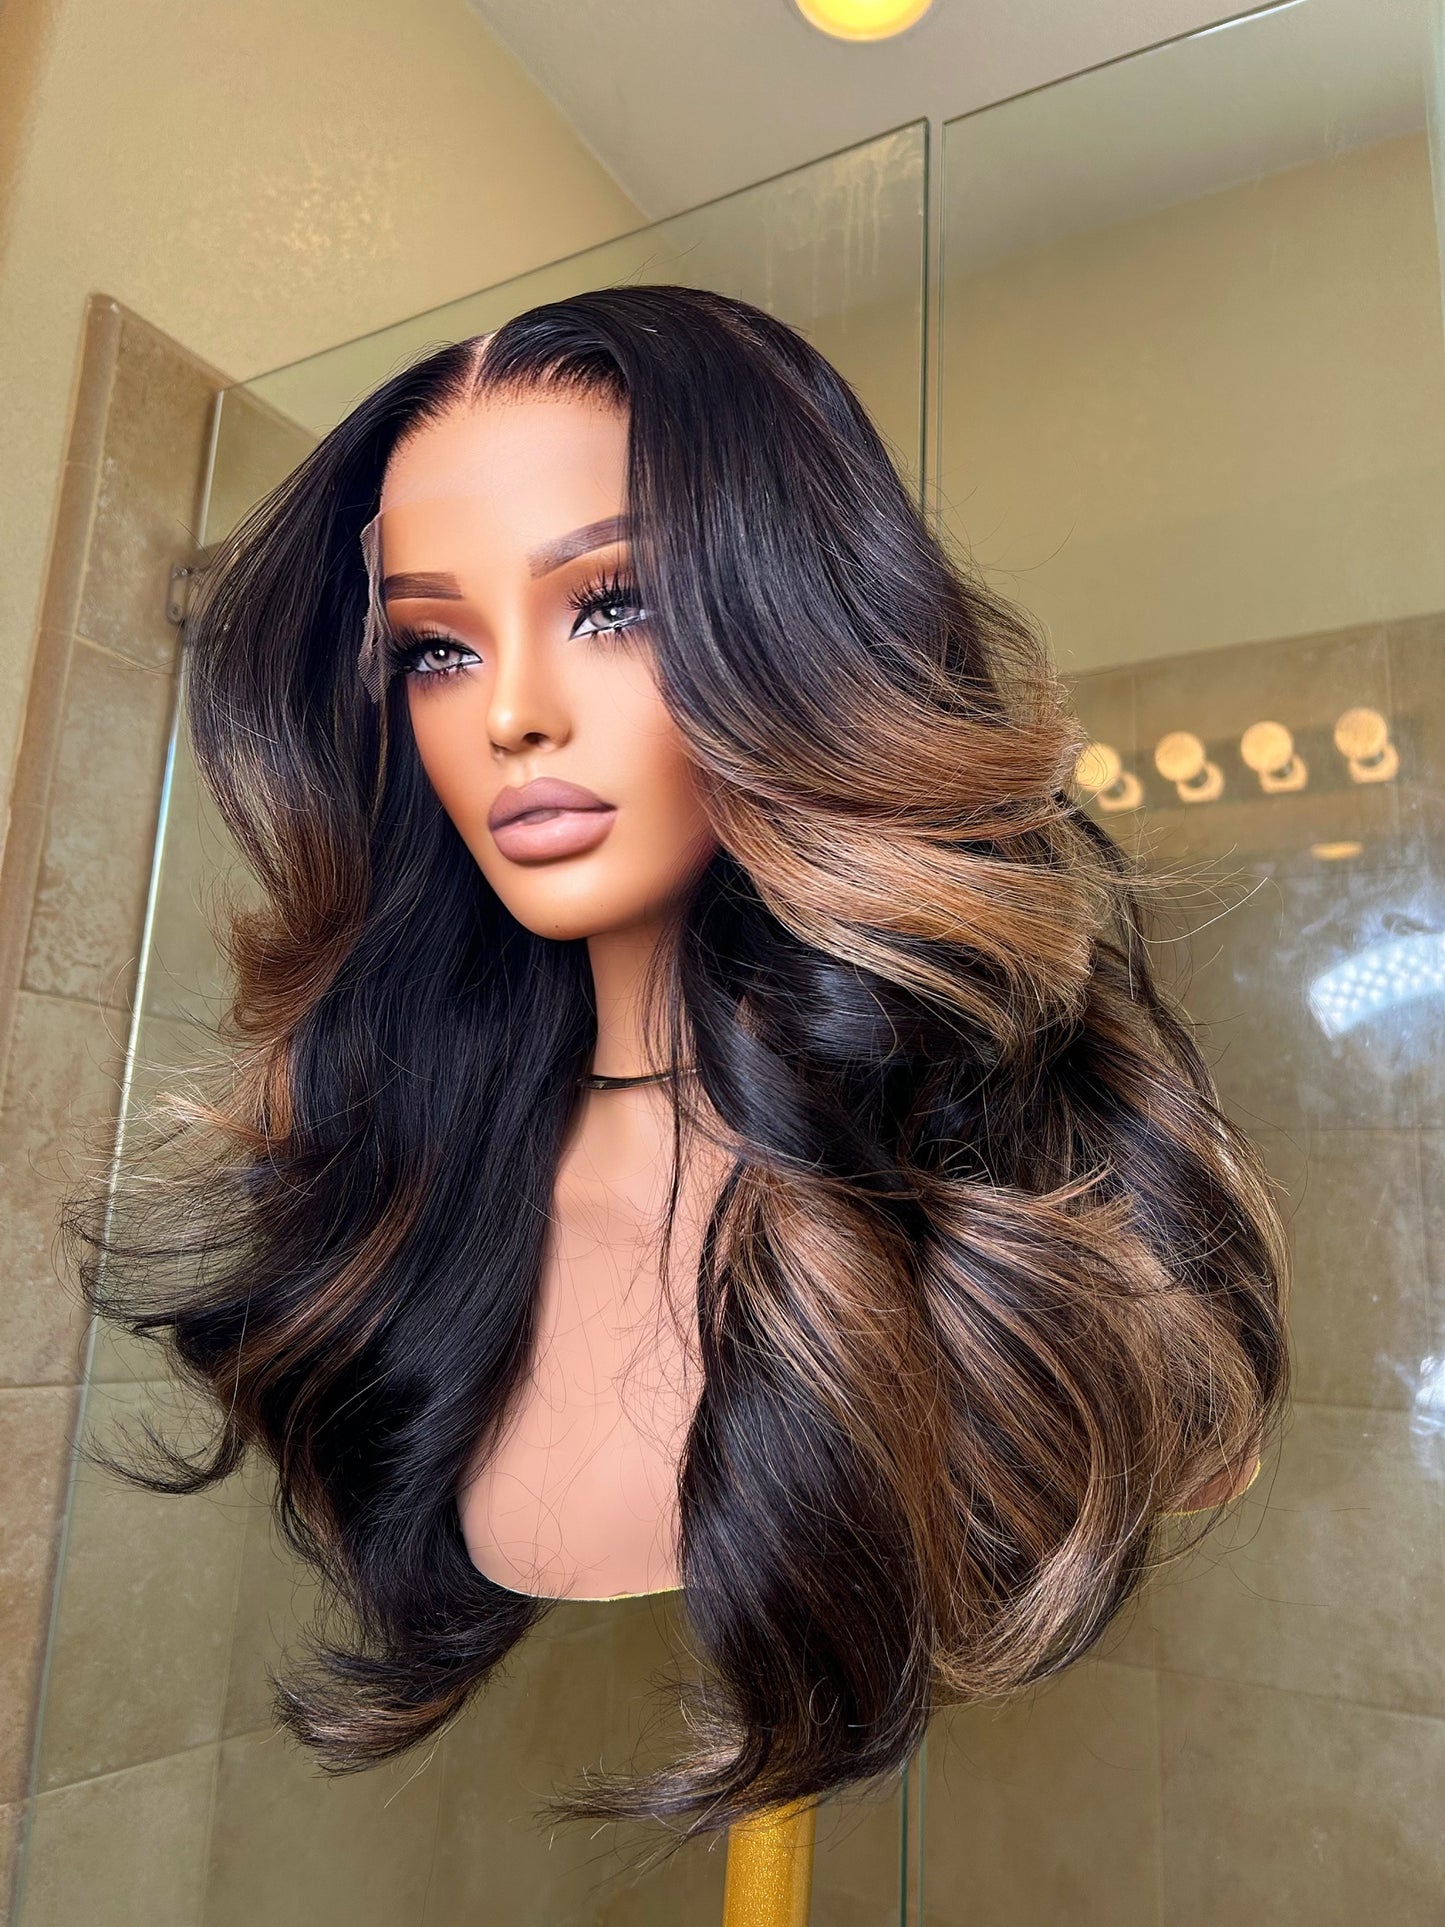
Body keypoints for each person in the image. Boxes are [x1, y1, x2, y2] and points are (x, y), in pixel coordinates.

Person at [78, 284, 1288, 1834]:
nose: (512, 715)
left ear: (797, 634)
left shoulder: (1030, 1195)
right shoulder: (399, 1190)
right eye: (436, 648)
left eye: (611, 607)